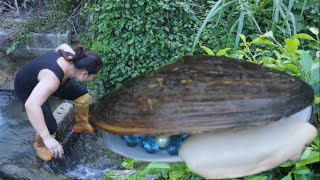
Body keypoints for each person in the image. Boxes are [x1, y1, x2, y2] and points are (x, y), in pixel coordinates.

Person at [14, 44, 103, 161]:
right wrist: (46, 138)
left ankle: (81, 124)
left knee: (83, 97)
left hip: (50, 81)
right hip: (28, 88)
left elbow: (63, 45)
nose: (93, 80)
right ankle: (39, 145)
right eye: (94, 77)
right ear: (84, 74)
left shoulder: (72, 56)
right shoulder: (52, 79)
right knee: (50, 128)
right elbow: (31, 105)